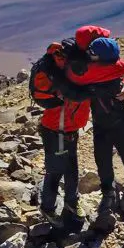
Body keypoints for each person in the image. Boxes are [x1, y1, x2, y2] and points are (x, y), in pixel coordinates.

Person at [67, 26, 124, 218]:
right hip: (109, 123)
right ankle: (117, 190)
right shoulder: (112, 70)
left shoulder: (95, 74)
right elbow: (120, 70)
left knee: (118, 159)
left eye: (92, 53)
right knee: (112, 159)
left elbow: (76, 76)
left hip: (113, 123)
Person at [28, 40, 91, 230]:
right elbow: (79, 95)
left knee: (71, 167)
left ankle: (71, 201)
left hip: (66, 129)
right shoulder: (64, 78)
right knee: (56, 170)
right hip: (57, 131)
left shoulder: (67, 71)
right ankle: (48, 208)